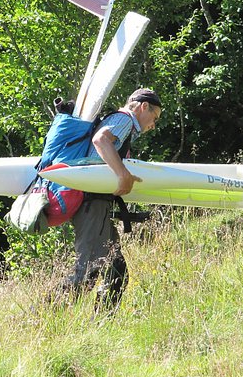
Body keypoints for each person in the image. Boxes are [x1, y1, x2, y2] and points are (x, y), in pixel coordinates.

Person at [55, 88, 162, 314]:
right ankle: (40, 318)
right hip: (91, 203)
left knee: (116, 269)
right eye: (155, 117)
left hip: (97, 205)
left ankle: (102, 323)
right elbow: (100, 139)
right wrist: (123, 174)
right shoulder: (125, 120)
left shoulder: (124, 125)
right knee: (86, 273)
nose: (154, 125)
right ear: (144, 106)